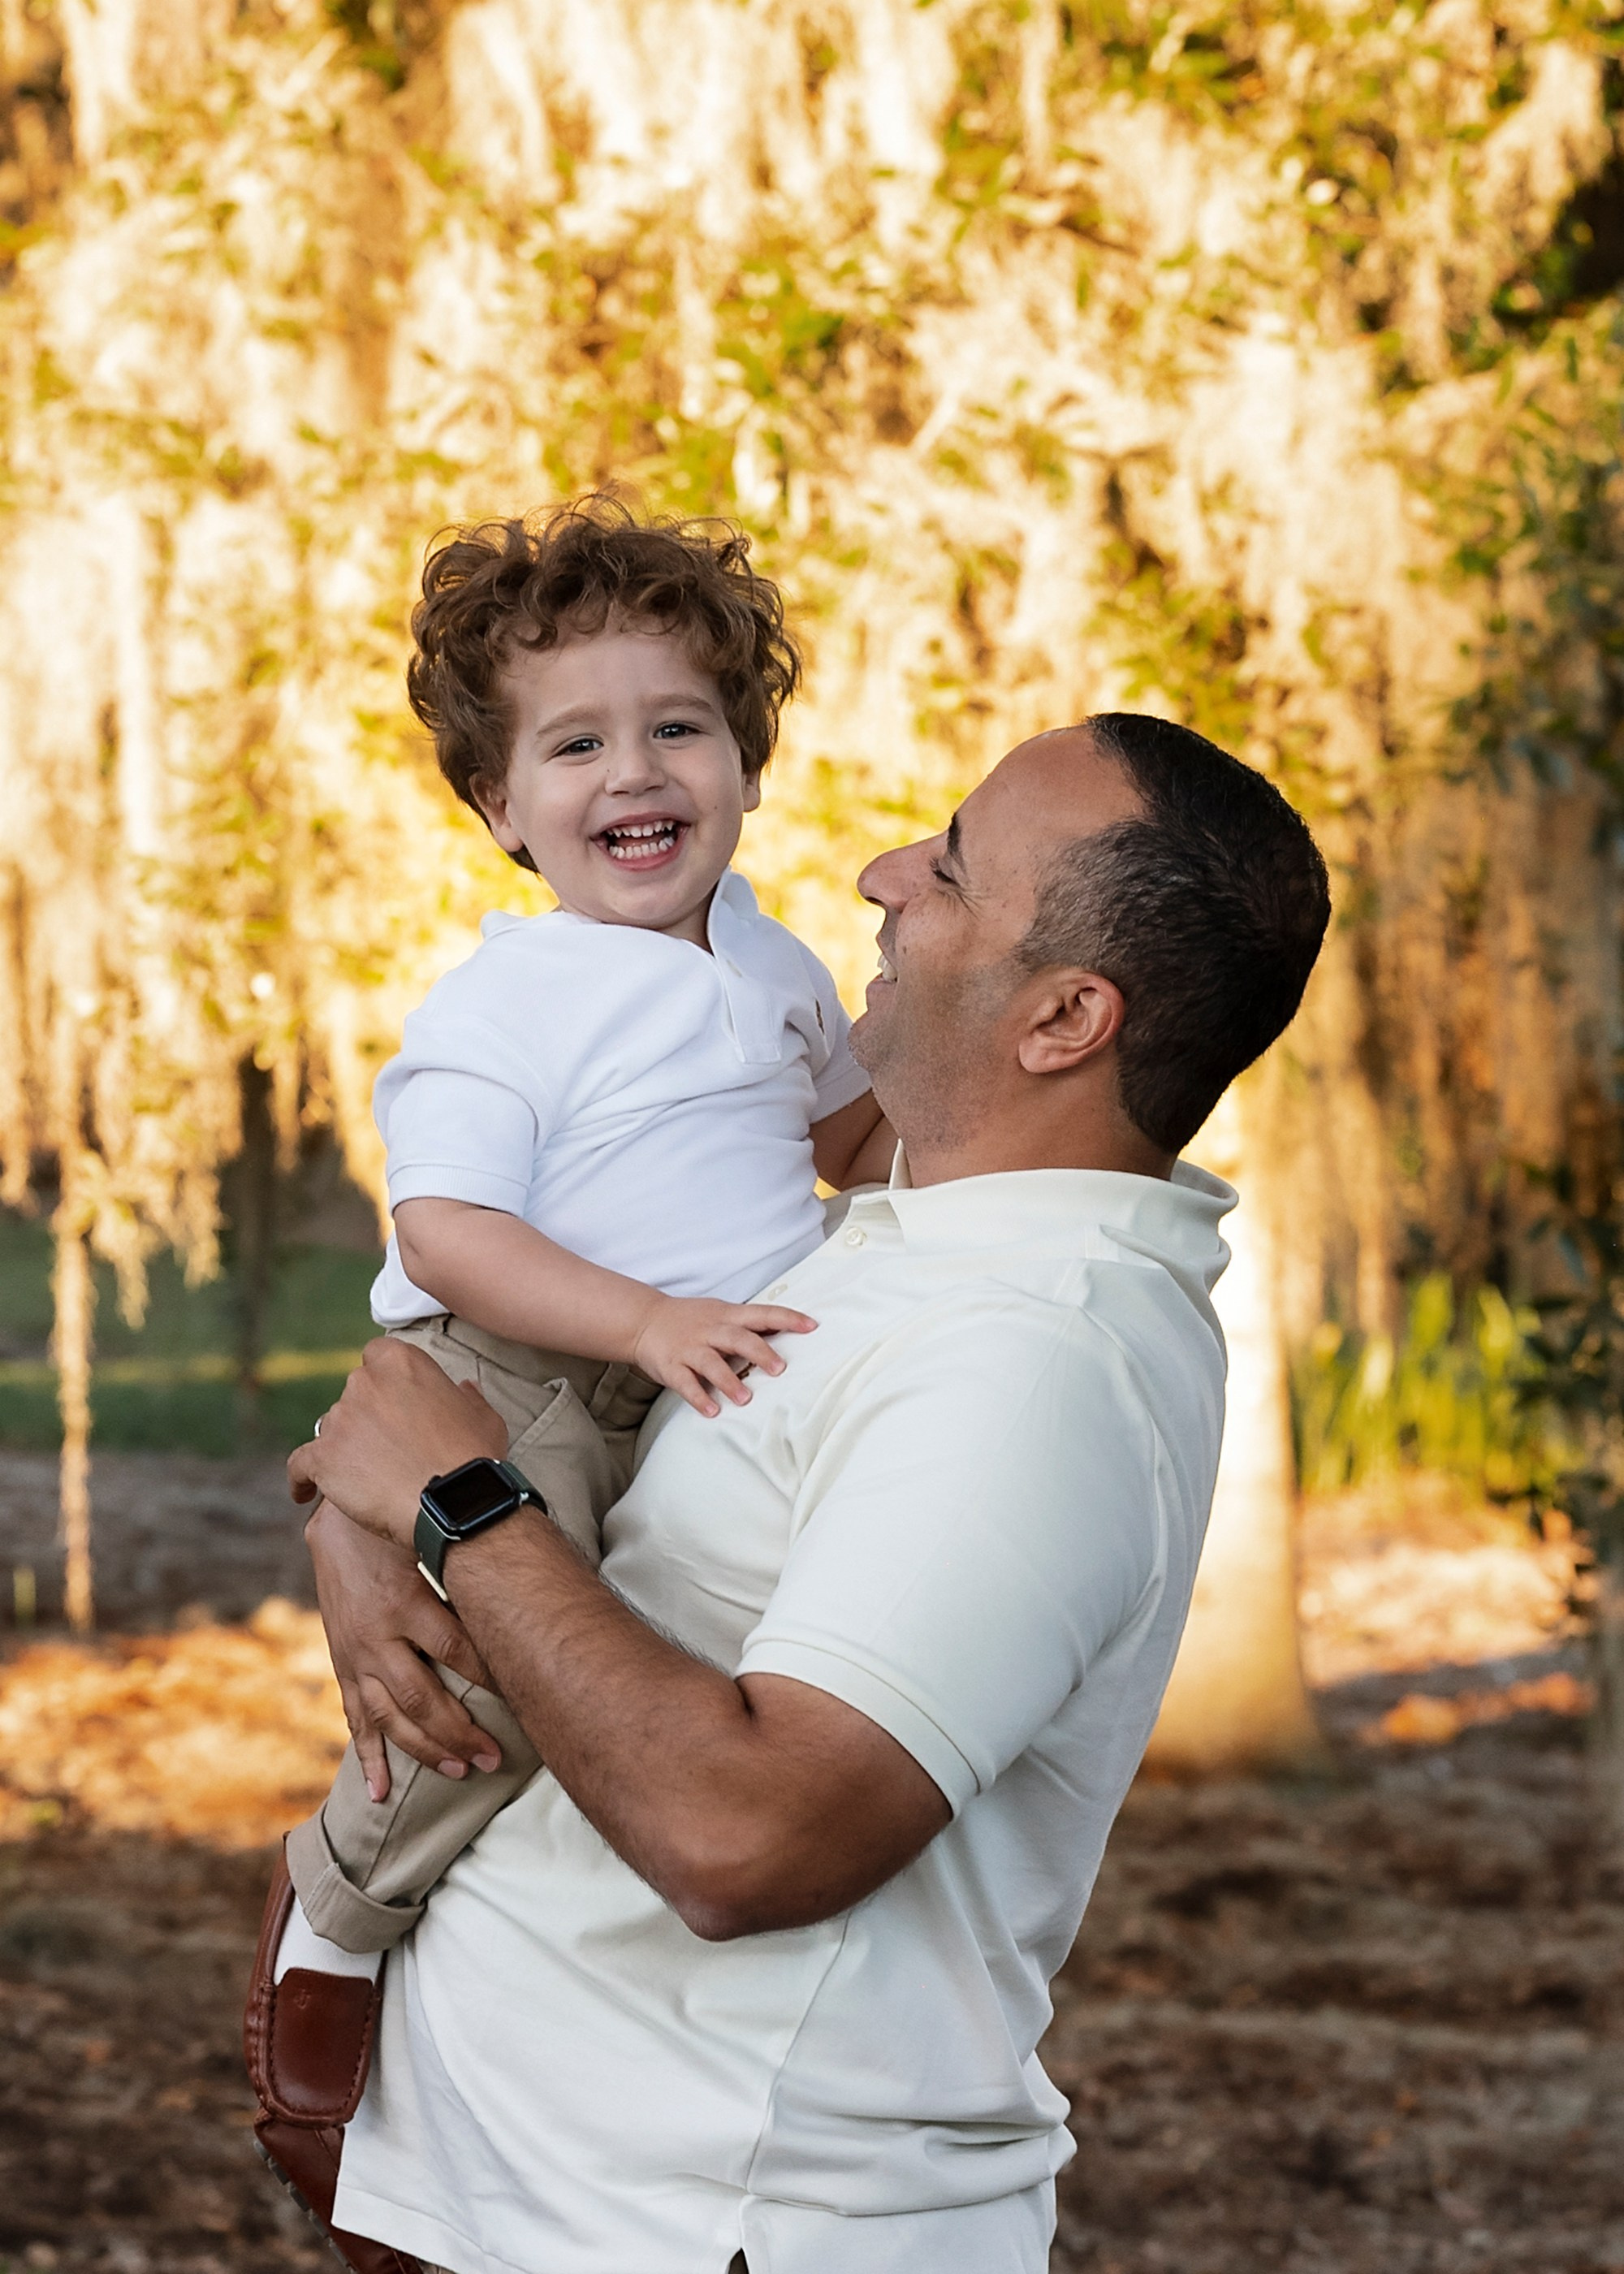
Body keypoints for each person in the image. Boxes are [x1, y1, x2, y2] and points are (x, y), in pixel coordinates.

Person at [281, 711, 1331, 2274]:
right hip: (544, 2204)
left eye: (951, 871)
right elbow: (480, 1409)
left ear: (1064, 1020)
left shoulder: (1031, 1361)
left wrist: (458, 1511)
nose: (878, 874)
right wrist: (357, 1521)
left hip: (706, 2228)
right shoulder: (901, 1242)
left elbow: (750, 1839)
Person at [277, 499, 892, 1992]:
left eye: (679, 729)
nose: (635, 771)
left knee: (664, 1660)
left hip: (693, 1376)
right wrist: (643, 1322)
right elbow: (445, 1231)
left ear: (748, 765)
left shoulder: (777, 959)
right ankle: (336, 1918)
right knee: (493, 1663)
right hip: (517, 1370)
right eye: (575, 747)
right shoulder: (512, 999)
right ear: (501, 809)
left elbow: (856, 1144)